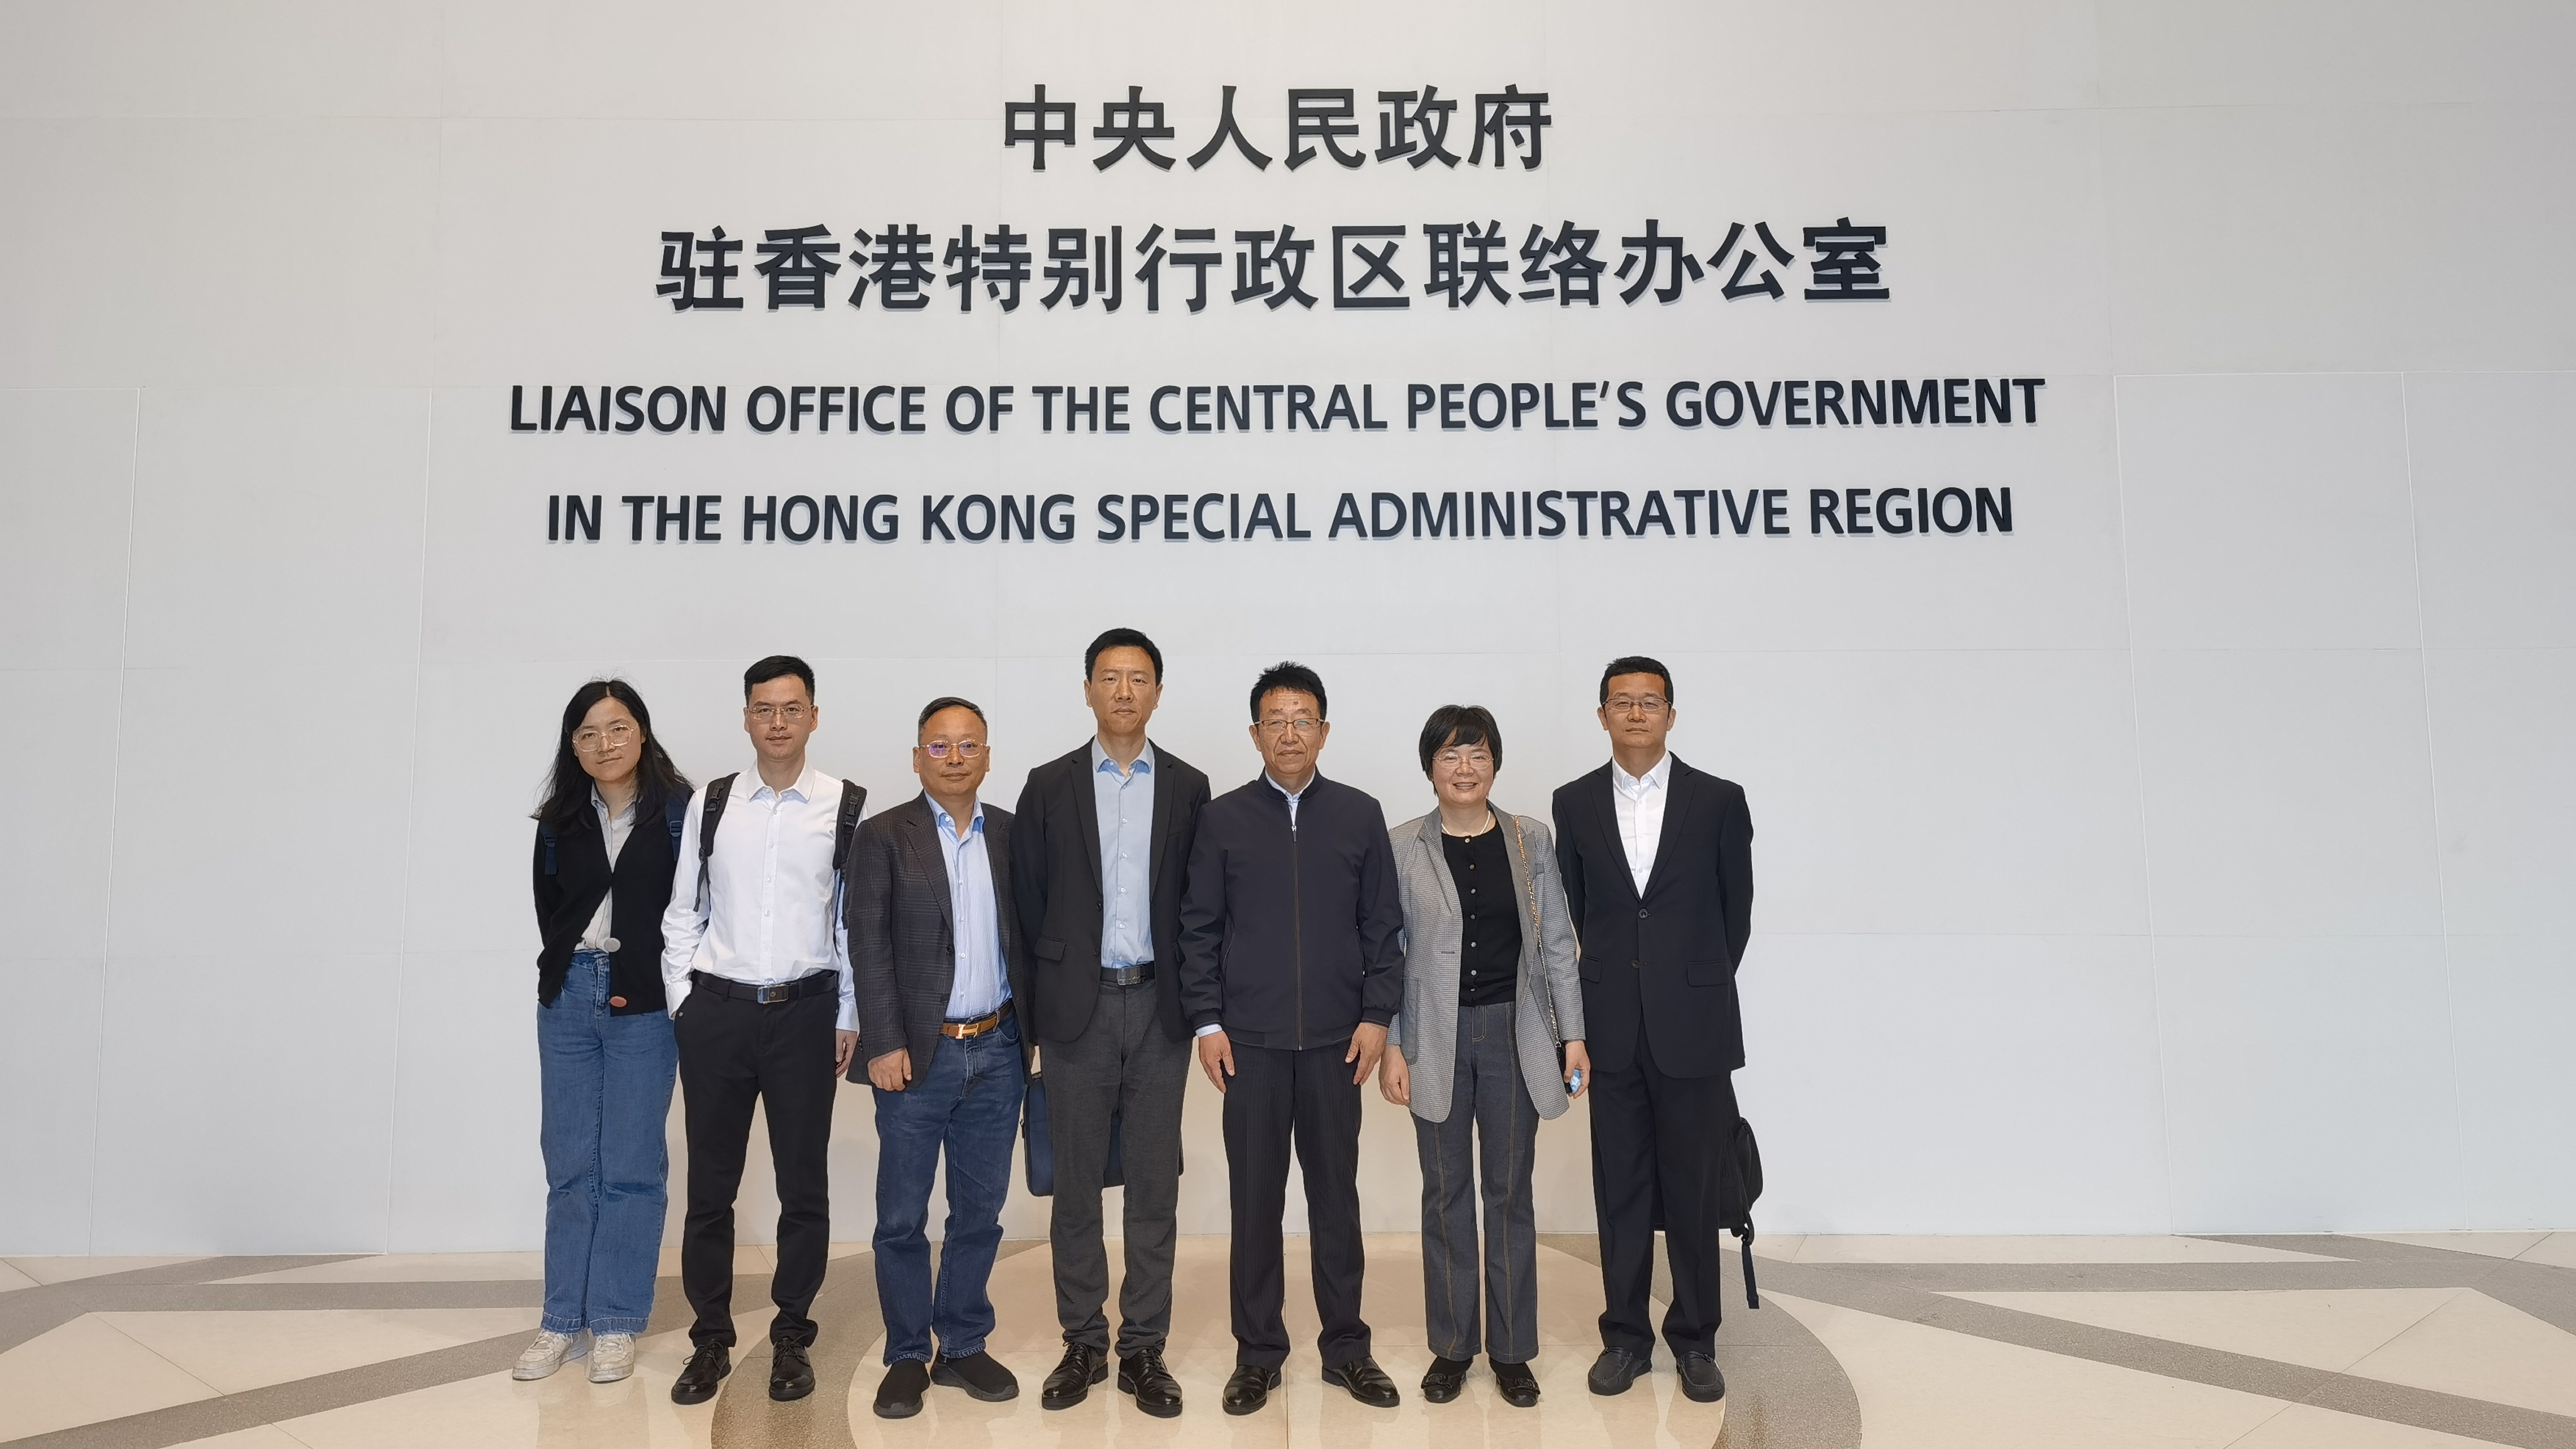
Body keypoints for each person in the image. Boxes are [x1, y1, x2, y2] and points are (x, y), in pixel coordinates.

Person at [1177, 661, 1407, 1416]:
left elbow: (1383, 928)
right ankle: (1257, 1354)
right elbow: (1198, 929)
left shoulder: (1359, 814)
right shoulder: (1223, 819)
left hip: (1340, 1044)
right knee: (1255, 1202)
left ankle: (1347, 1348)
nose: (1288, 733)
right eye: (1274, 721)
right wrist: (1207, 1021)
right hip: (1249, 1044)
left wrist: (1377, 1016)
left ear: (1324, 731)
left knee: (1335, 1197)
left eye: (1302, 719)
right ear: (1254, 734)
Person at [1011, 629, 1209, 1417]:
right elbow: (1028, 907)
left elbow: (1199, 905)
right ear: (1088, 689)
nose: (1124, 691)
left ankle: (1144, 1348)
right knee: (1077, 1189)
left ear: (1157, 692)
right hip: (1076, 1011)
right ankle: (1083, 1342)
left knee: (1154, 1187)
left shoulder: (1190, 786)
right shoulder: (1047, 785)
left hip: (1161, 1009)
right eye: (1109, 677)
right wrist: (1034, 1018)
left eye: (1138, 678)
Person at [659, 656, 865, 1407]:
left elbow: (847, 921)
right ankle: (710, 1340)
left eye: (791, 708)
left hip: (806, 1016)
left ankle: (790, 1337)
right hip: (717, 1015)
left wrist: (846, 1013)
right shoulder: (714, 802)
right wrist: (683, 1005)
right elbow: (683, 911)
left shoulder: (844, 805)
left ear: (814, 716)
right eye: (763, 709)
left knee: (802, 1186)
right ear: (746, 717)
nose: (777, 722)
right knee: (710, 1189)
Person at [1552, 657, 1755, 1404]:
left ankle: (1696, 1340)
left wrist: (1688, 985)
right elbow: (1576, 911)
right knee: (1622, 1187)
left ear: (1671, 714)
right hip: (1611, 1025)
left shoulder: (1719, 799)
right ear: (1601, 715)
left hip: (1693, 1025)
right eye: (1622, 702)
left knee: (1694, 1190)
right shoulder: (1573, 802)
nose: (1635, 713)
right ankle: (1626, 1340)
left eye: (1649, 702)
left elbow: (1735, 914)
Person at [1379, 705, 1589, 1409]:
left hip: (1512, 1035)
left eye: (1477, 754)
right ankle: (1451, 1349)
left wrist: (1573, 1035)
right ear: (1429, 767)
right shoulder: (1402, 846)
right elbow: (1389, 956)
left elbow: (1556, 945)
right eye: (1449, 755)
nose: (1464, 768)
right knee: (1444, 1196)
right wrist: (1395, 1046)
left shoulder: (1530, 839)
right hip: (1432, 1038)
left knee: (1508, 1194)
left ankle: (1511, 1351)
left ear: (1495, 763)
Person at [848, 697, 1032, 1419]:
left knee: (979, 1212)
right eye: (939, 746)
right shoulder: (882, 836)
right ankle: (905, 1353)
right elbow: (867, 943)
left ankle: (960, 1344)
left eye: (967, 745)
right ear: (917, 756)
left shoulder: (1013, 835)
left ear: (987, 756)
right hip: (916, 1056)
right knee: (901, 1216)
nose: (954, 758)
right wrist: (883, 1042)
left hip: (999, 1049)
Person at [519, 680, 692, 1384]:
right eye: (588, 734)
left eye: (618, 728)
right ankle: (562, 1319)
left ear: (642, 733)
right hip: (569, 998)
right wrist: (572, 968)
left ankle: (616, 1320)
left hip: (647, 1003)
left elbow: (697, 910)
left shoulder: (681, 814)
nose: (605, 744)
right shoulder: (559, 819)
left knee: (631, 1167)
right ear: (574, 746)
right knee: (568, 1166)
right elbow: (551, 910)